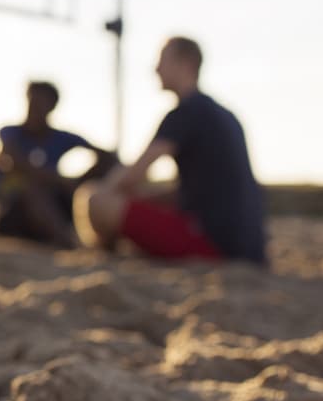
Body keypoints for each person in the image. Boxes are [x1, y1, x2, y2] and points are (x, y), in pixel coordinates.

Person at [76, 37, 267, 265]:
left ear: (186, 63)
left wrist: (105, 195)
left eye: (162, 60)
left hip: (212, 247)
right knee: (137, 201)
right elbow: (205, 192)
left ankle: (104, 256)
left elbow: (132, 176)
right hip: (248, 249)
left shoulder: (186, 112)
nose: (156, 68)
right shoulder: (225, 115)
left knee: (95, 200)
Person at [0, 81, 113, 247]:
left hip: (54, 203)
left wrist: (80, 182)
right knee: (32, 189)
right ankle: (68, 242)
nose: (34, 108)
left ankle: (97, 235)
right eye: (32, 102)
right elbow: (16, 162)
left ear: (52, 106)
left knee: (93, 181)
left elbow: (107, 157)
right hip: (14, 211)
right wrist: (61, 181)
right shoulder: (9, 133)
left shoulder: (61, 137)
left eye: (41, 103)